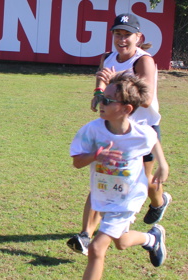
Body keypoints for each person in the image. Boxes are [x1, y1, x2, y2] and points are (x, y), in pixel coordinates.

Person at [52, 73, 170, 280]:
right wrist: (96, 155)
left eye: (107, 100)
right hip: (104, 197)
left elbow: (153, 139)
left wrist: (163, 165)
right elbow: (77, 162)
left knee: (97, 248)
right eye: (101, 98)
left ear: (126, 109)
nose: (101, 103)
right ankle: (152, 239)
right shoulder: (92, 130)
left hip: (129, 198)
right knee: (121, 242)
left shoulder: (140, 133)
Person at [68, 13, 172, 256]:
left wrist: (115, 79)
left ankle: (159, 201)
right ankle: (85, 235)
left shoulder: (143, 61)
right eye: (117, 34)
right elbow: (101, 84)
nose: (121, 39)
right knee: (102, 178)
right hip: (114, 128)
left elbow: (146, 99)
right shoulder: (107, 57)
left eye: (127, 35)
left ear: (139, 37)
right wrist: (98, 95)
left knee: (145, 181)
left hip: (141, 131)